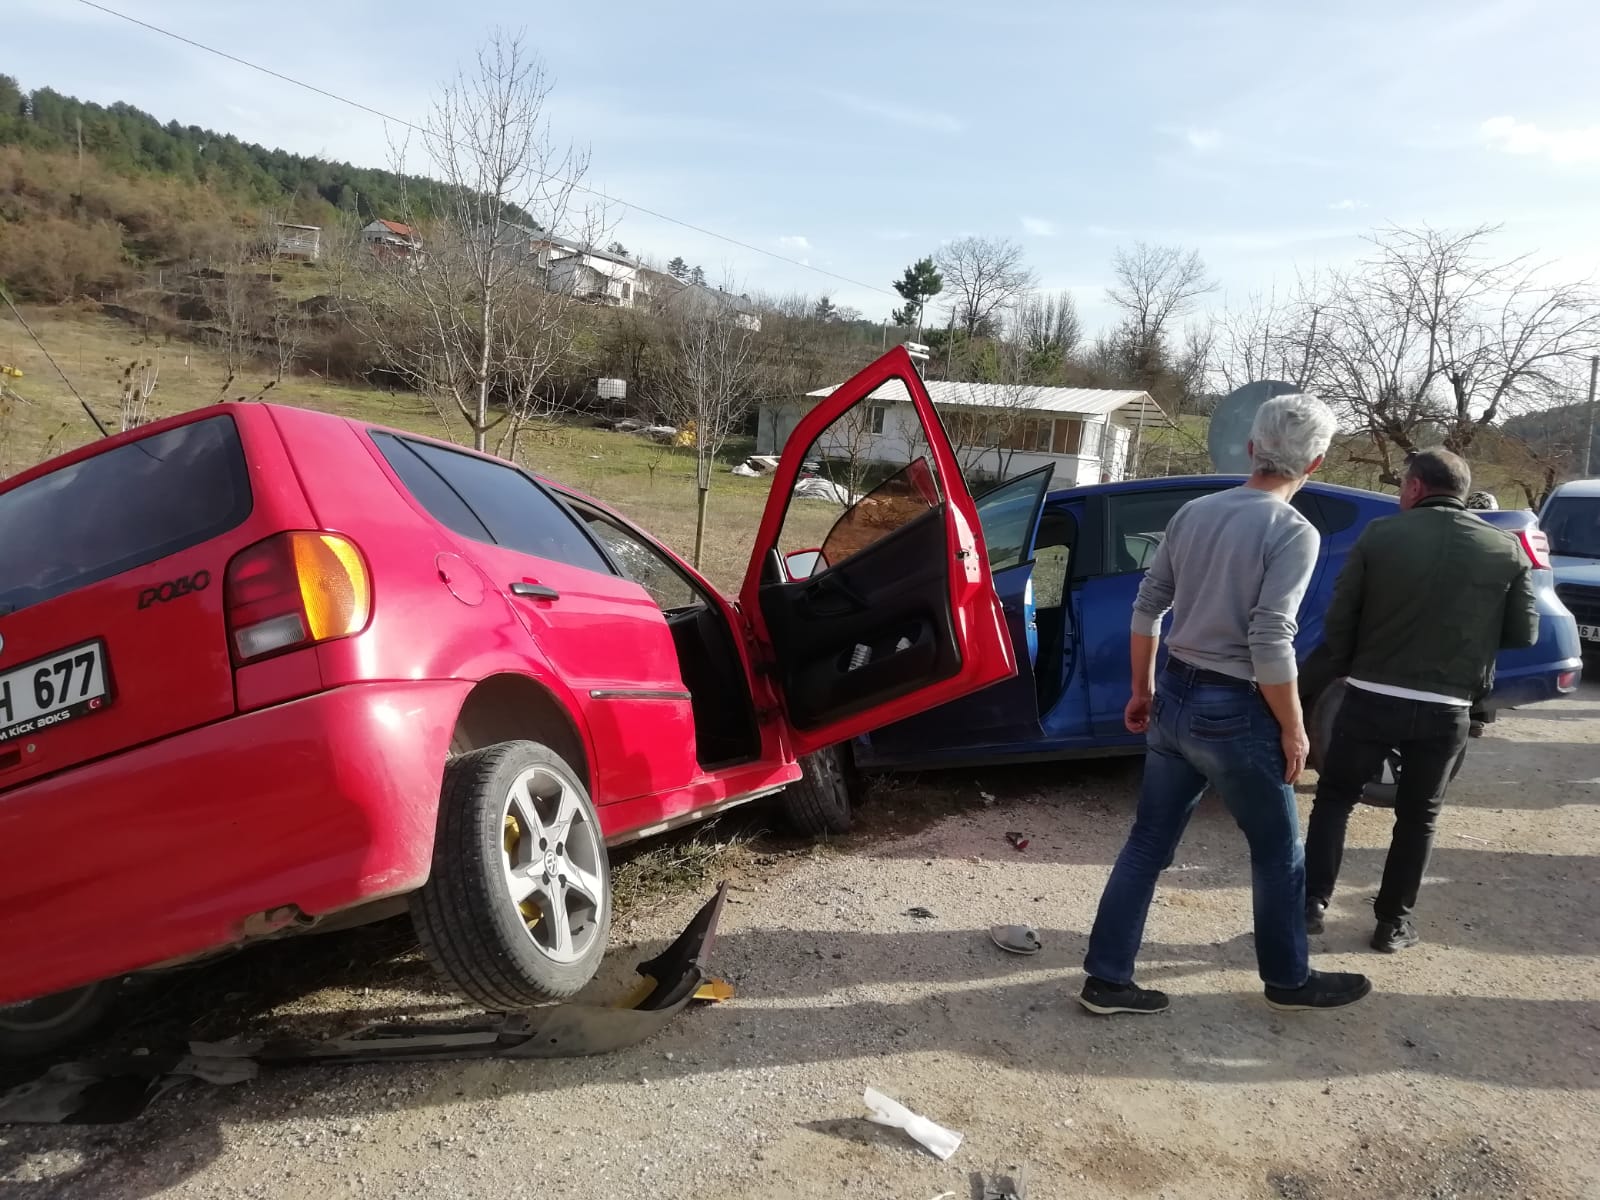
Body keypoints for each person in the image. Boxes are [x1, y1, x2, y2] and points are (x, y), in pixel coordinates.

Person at [1080, 394, 1372, 1016]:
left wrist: (1143, 688)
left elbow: (1147, 603)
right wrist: (1295, 729)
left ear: (1250, 448)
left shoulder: (1194, 511)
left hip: (1177, 694)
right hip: (1234, 710)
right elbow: (1270, 638)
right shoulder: (1293, 531)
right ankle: (1288, 980)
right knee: (1277, 853)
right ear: (1315, 463)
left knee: (1147, 844)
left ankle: (1106, 980)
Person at [1303, 449, 1538, 951]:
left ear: (1413, 487)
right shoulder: (1505, 549)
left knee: (1335, 799)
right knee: (1419, 817)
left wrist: (1349, 667)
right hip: (1447, 706)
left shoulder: (1380, 536)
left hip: (1369, 696)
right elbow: (1524, 632)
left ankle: (1310, 905)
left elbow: (1340, 618)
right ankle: (1392, 925)